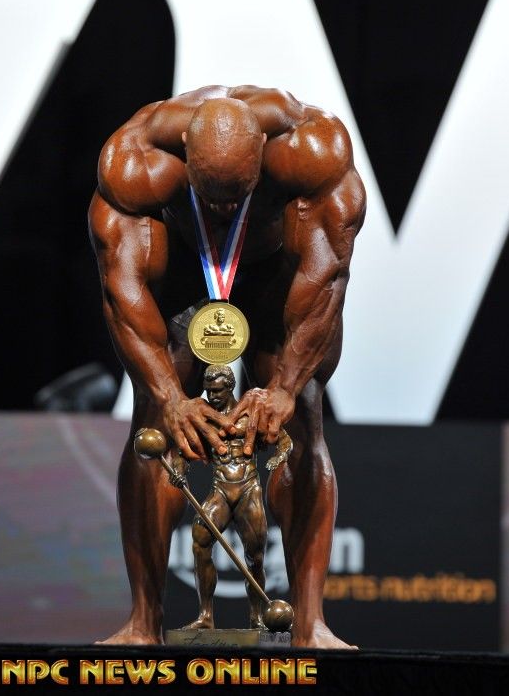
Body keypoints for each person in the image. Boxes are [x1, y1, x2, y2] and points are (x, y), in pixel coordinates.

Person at [88, 84, 366, 647]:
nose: (223, 209)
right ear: (186, 153)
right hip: (183, 263)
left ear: (262, 151)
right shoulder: (134, 164)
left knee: (304, 411)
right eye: (210, 195)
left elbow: (326, 277)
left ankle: (310, 625)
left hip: (275, 269)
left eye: (236, 195)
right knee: (153, 418)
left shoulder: (313, 153)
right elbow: (123, 293)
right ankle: (143, 624)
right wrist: (171, 397)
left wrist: (283, 387)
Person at [181, 363, 291, 632]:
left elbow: (285, 440)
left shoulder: (251, 413)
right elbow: (183, 450)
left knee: (255, 557)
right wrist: (179, 470)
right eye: (208, 391)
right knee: (200, 540)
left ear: (230, 387)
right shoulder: (205, 418)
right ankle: (205, 616)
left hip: (248, 489)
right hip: (220, 489)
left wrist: (278, 458)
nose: (212, 396)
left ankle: (257, 618)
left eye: (217, 391)